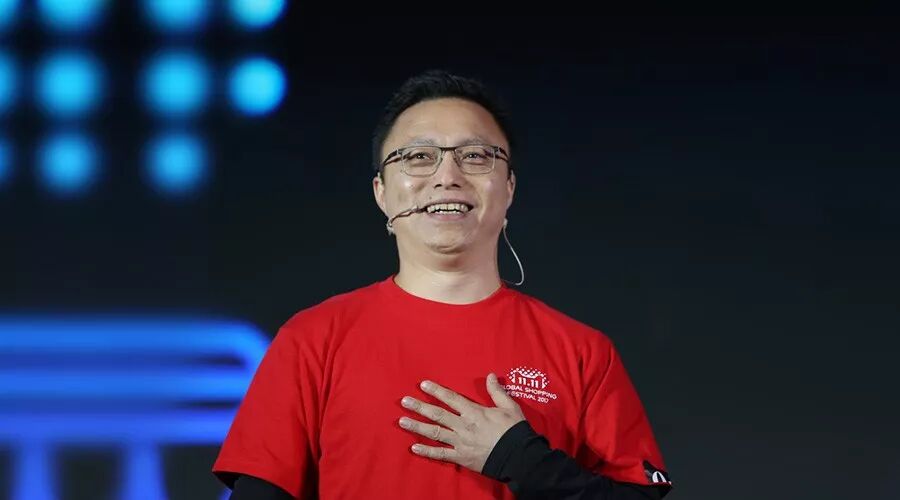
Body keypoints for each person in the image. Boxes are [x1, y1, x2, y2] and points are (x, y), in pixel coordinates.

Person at [212, 70, 674, 499]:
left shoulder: (582, 352)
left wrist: (522, 460)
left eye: (475, 156)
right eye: (418, 157)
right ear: (381, 192)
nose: (448, 177)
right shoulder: (312, 340)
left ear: (509, 188)